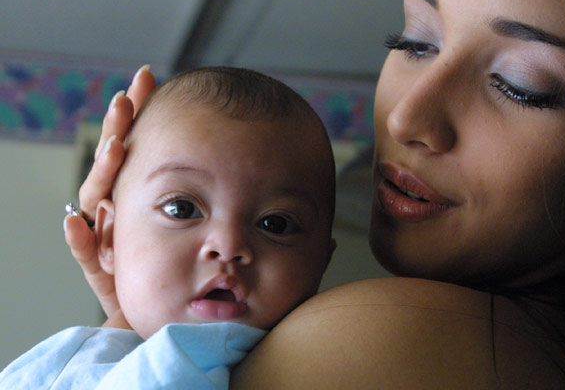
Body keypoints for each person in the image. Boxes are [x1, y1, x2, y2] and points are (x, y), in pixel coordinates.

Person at [66, 0, 565, 388]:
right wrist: (133, 324)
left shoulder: (386, 338)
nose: (406, 118)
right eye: (416, 41)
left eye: (520, 87)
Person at [0, 67, 336, 389]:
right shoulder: (61, 366)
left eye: (274, 224)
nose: (228, 245)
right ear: (109, 238)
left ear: (321, 262)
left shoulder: (325, 363)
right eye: (182, 209)